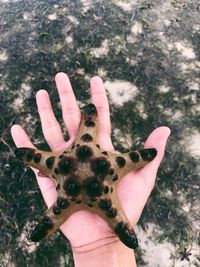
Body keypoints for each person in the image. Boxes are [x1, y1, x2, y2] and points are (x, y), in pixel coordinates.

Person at [11, 72, 170, 267]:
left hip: (72, 180)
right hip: (97, 186)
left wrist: (103, 247)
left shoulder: (59, 163)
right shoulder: (114, 166)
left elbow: (89, 121)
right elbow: (91, 121)